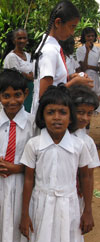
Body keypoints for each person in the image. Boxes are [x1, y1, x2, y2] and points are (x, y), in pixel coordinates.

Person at [20, 85, 94, 241]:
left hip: (69, 206)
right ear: (42, 116)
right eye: (50, 112)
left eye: (63, 112)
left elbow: (85, 177)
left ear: (70, 117)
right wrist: (25, 214)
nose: (57, 117)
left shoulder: (79, 146)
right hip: (41, 204)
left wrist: (87, 210)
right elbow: (28, 179)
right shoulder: (34, 144)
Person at [0, 69, 35, 241]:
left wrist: (17, 168)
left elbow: (36, 159)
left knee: (16, 219)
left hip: (20, 182)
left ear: (25, 94)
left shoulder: (33, 123)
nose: (12, 101)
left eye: (17, 95)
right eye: (6, 96)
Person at [31, 0, 93, 114]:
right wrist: (74, 83)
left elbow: (53, 81)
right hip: (49, 116)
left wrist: (70, 77)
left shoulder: (53, 47)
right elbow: (45, 94)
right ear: (58, 22)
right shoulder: (50, 51)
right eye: (72, 27)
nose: (72, 32)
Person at [69, 85, 100, 210]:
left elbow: (89, 175)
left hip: (77, 199)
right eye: (80, 112)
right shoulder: (57, 136)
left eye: (89, 114)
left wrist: (88, 209)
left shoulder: (88, 142)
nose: (85, 118)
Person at [3, 28, 34, 112]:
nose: (22, 40)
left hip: (29, 92)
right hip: (18, 92)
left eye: (24, 38)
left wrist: (29, 75)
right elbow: (15, 75)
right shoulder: (11, 57)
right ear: (14, 40)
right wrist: (28, 76)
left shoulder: (28, 55)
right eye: (19, 38)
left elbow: (32, 71)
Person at [76, 27, 100, 95]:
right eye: (88, 36)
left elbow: (98, 68)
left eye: (92, 36)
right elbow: (83, 68)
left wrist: (89, 66)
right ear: (84, 37)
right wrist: (87, 51)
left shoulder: (98, 50)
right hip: (85, 79)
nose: (90, 38)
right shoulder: (80, 50)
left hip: (95, 80)